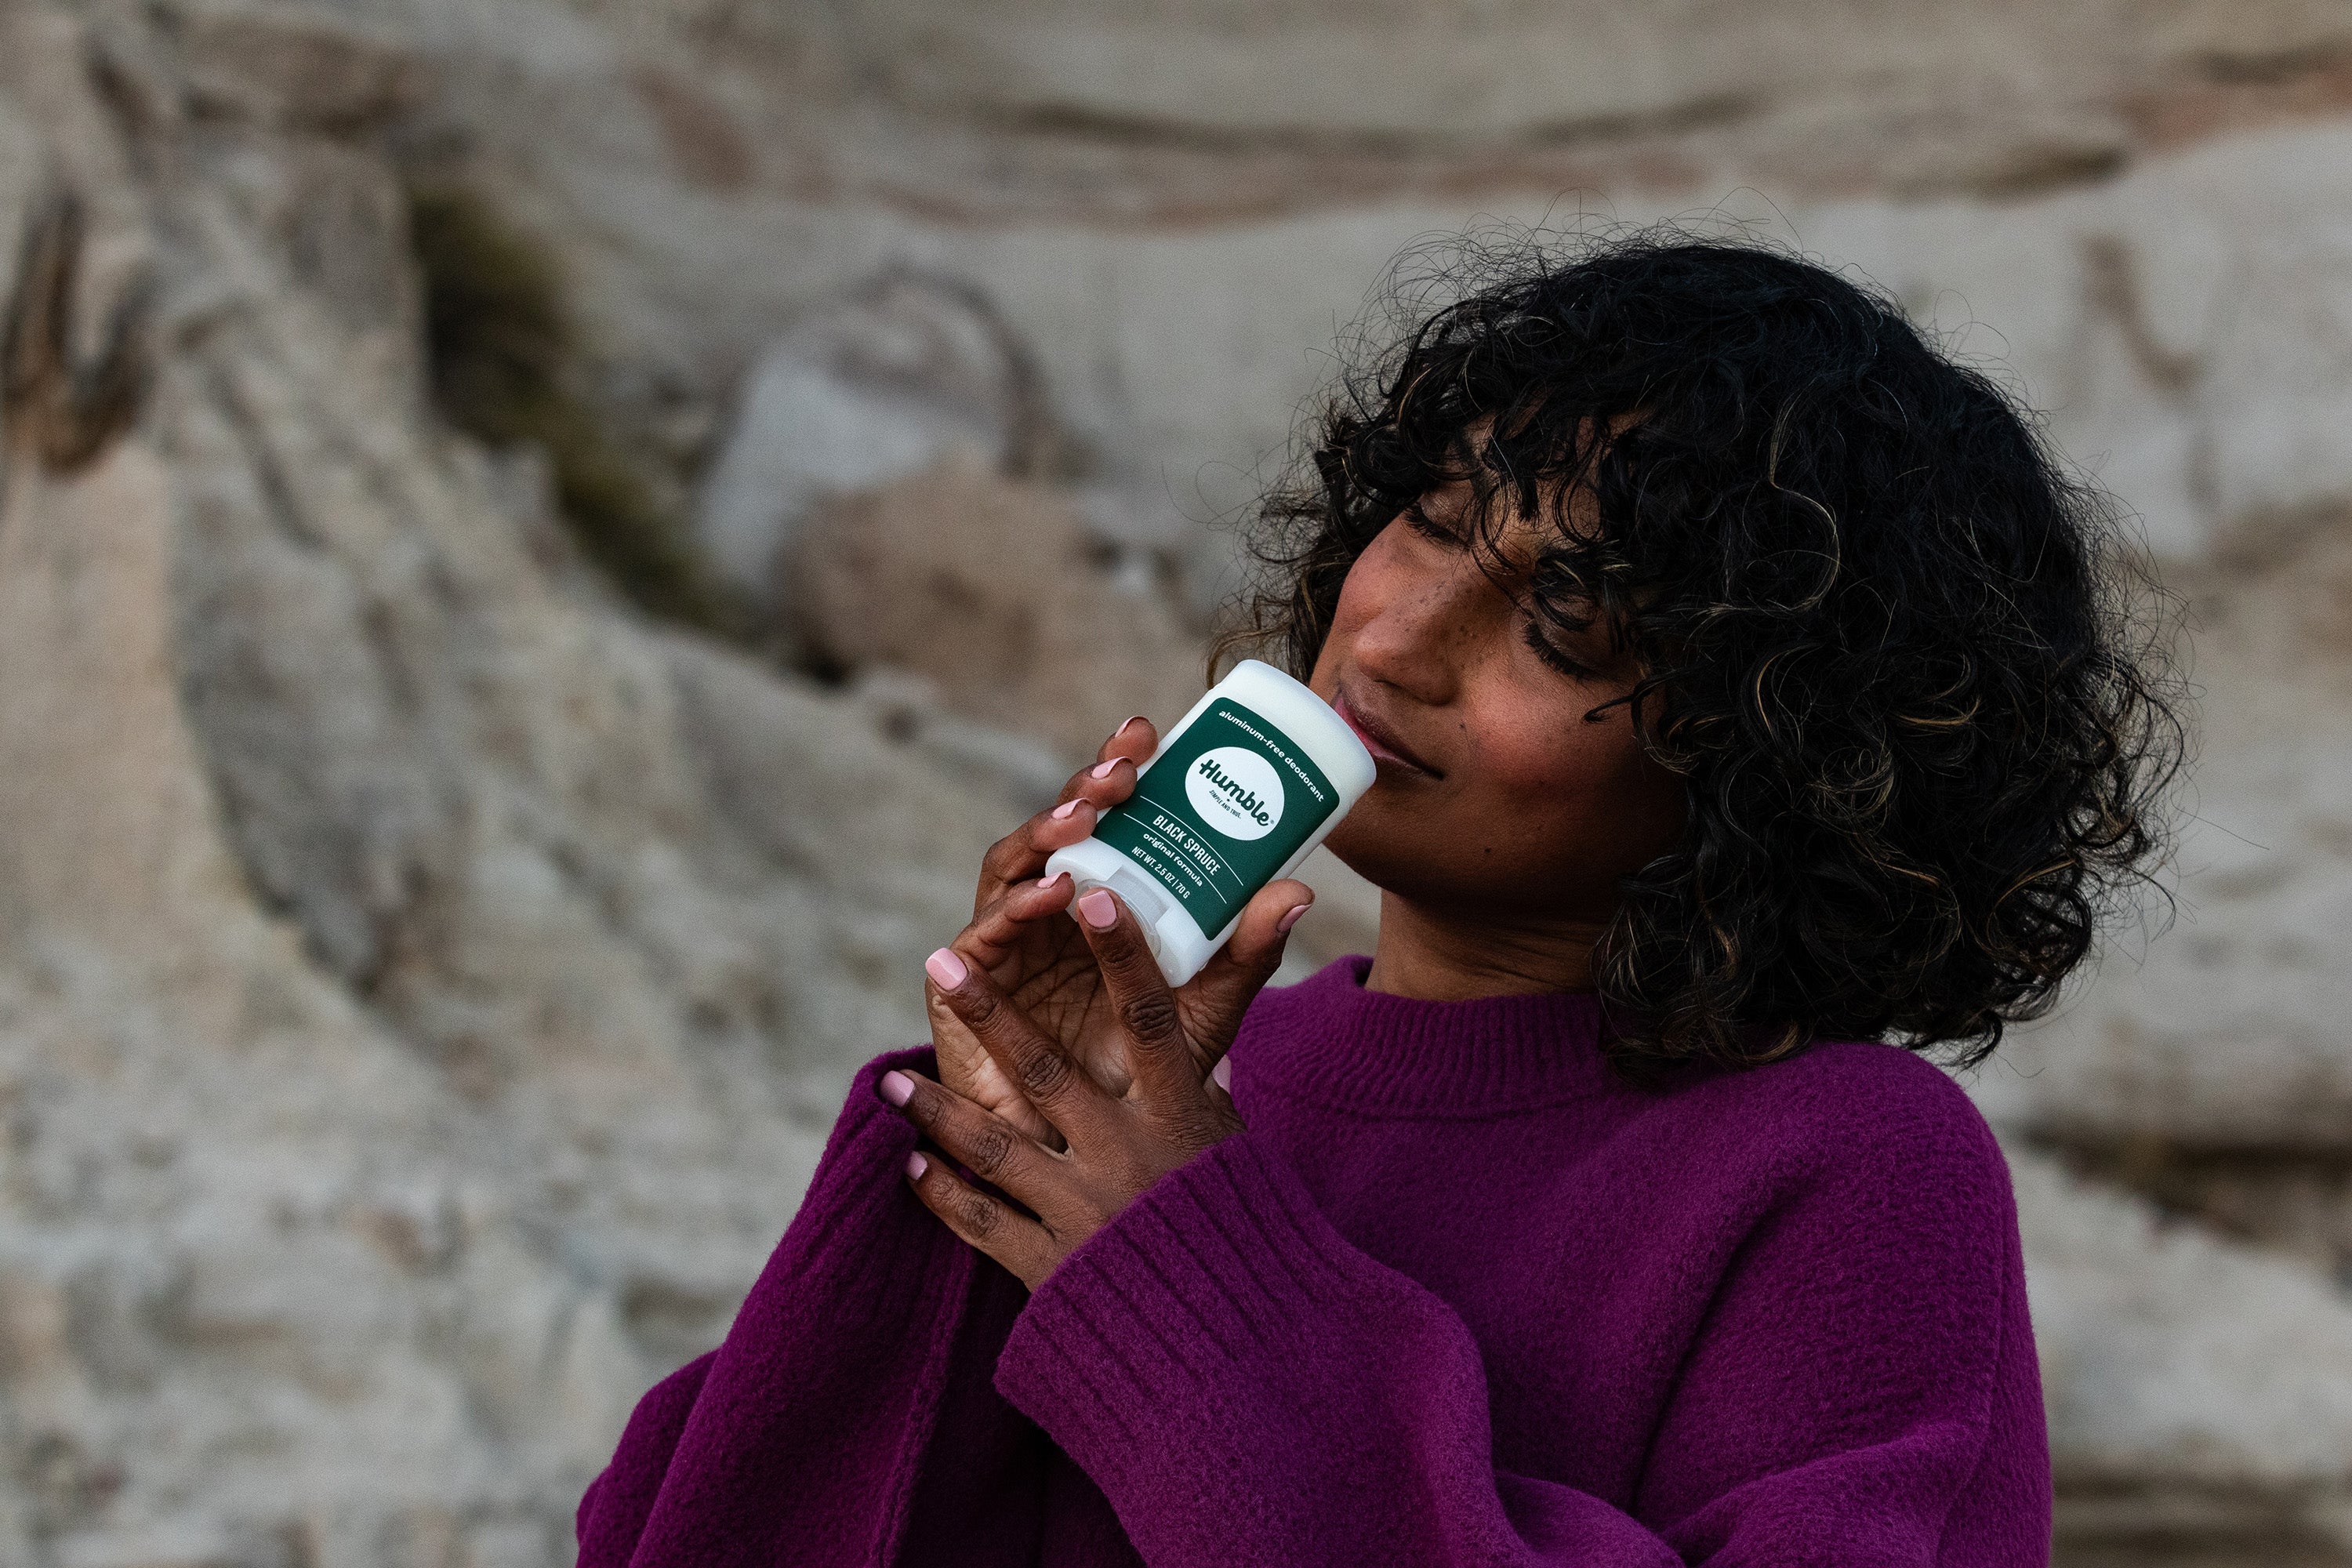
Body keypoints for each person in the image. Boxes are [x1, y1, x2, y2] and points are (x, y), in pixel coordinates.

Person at [575, 234, 2180, 1566]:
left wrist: (1192, 1282)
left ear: (1779, 755)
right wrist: (988, 1117)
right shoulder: (1187, 1101)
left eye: (1563, 624)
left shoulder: (1850, 1165)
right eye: (1431, 521)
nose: (1398, 641)